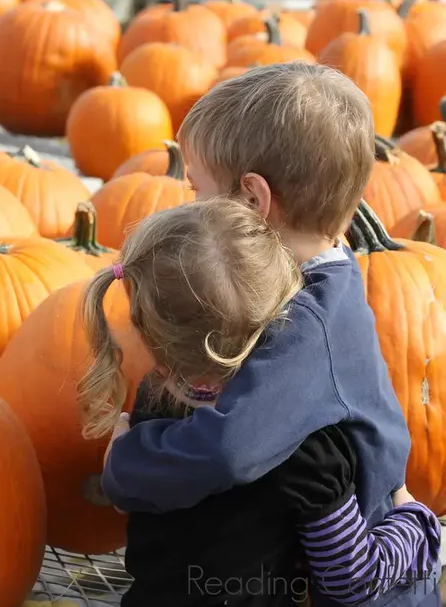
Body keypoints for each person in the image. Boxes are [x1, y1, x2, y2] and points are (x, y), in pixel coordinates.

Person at [97, 63, 440, 607]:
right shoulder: (311, 272)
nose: (192, 205)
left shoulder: (309, 324)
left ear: (252, 201)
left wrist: (128, 464)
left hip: (366, 574)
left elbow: (231, 448)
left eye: (197, 189)